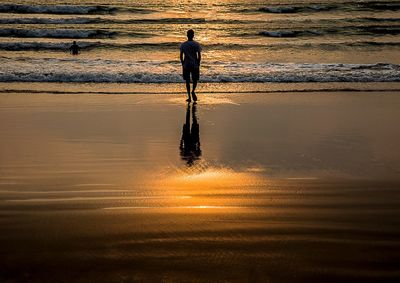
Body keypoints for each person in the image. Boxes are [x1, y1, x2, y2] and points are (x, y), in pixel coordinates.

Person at [180, 29, 201, 102]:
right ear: (193, 35)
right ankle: (193, 91)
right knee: (195, 80)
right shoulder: (196, 44)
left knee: (187, 81)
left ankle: (189, 96)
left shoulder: (183, 44)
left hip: (186, 64)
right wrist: (198, 63)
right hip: (194, 64)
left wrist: (182, 63)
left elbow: (181, 55)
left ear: (187, 35)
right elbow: (199, 56)